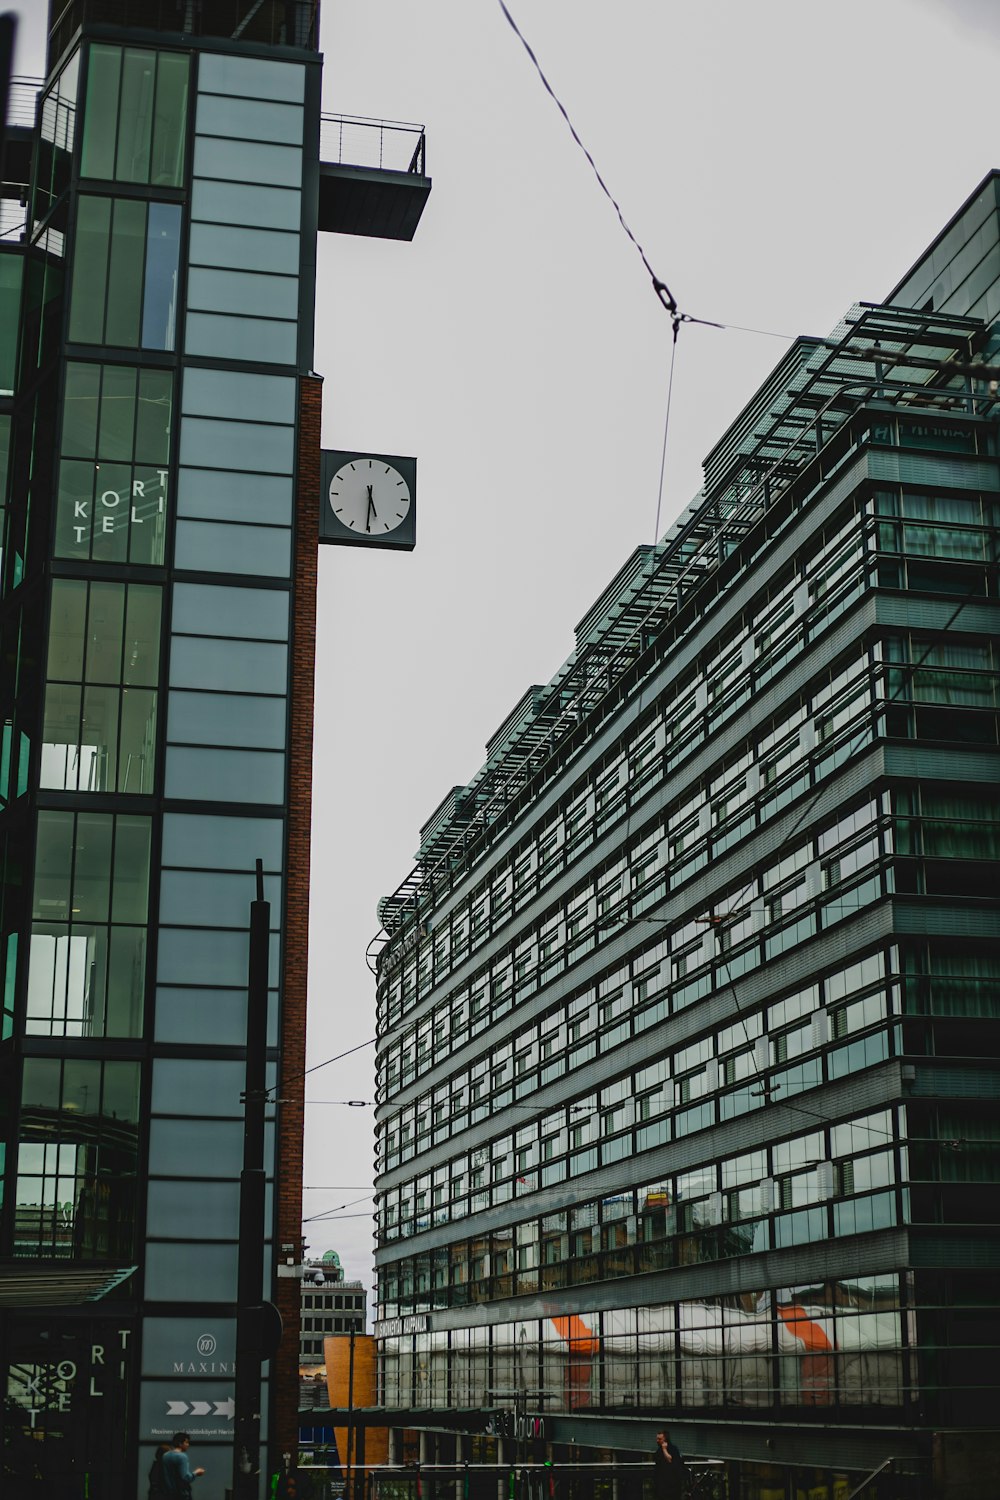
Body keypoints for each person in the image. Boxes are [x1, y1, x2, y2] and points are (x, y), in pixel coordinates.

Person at [162, 1432, 205, 1498]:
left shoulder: (165, 1456)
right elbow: (185, 1478)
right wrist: (196, 1473)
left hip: (168, 1495)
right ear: (180, 1443)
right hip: (181, 1495)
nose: (188, 1445)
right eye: (186, 1442)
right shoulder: (182, 1457)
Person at [652, 1430, 685, 1498]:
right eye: (657, 1438)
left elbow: (670, 1460)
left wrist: (664, 1449)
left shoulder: (673, 1449)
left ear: (665, 1439)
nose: (657, 1441)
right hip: (661, 1484)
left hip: (672, 1484)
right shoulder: (659, 1450)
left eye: (660, 1439)